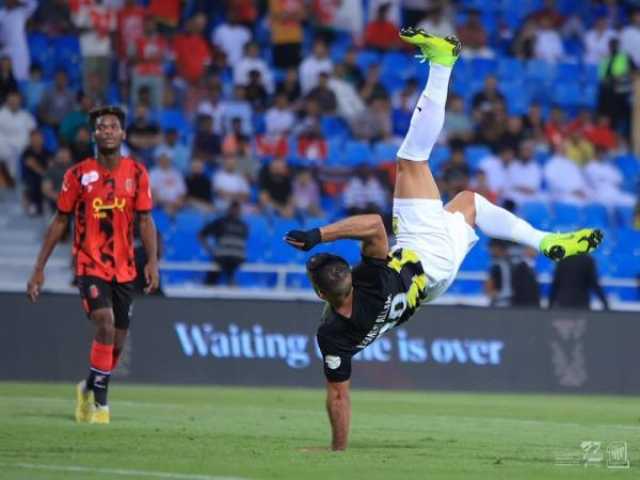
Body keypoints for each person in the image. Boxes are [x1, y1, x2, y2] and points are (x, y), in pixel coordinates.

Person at [284, 29, 603, 451]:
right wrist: (317, 235)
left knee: (469, 203)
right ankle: (443, 62)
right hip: (420, 253)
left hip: (432, 280)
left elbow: (339, 394)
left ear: (319, 292)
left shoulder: (334, 335)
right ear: (344, 276)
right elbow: (374, 227)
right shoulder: (369, 281)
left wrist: (337, 449)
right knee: (410, 159)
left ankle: (546, 242)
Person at [26, 106, 159, 425]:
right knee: (104, 321)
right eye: (102, 127)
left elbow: (145, 220)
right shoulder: (77, 175)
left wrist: (152, 261)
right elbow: (60, 221)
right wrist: (39, 268)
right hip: (89, 263)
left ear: (123, 134)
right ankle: (100, 405)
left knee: (117, 343)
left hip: (125, 269)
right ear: (94, 135)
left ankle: (88, 386)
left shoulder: (137, 173)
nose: (108, 130)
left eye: (114, 126)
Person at [198, 201, 248, 286]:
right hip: (225, 257)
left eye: (237, 210)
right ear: (229, 210)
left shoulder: (243, 225)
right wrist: (210, 249)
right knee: (226, 259)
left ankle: (216, 283)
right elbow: (201, 235)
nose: (236, 212)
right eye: (234, 209)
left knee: (228, 258)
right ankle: (230, 280)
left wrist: (211, 250)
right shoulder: (221, 222)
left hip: (234, 257)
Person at [485, 239, 540, 307]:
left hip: (514, 303)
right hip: (505, 303)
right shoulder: (499, 265)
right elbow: (489, 287)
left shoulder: (513, 265)